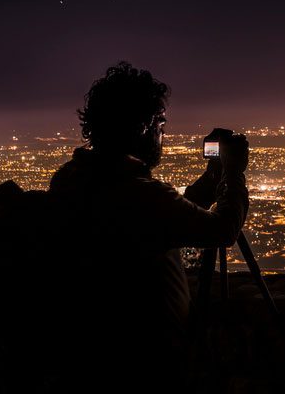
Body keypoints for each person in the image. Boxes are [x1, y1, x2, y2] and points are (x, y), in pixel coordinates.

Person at [44, 61, 249, 393]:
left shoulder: (72, 179)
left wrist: (211, 181)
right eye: (160, 124)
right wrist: (234, 172)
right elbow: (221, 230)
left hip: (88, 350)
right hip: (143, 360)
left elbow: (160, 220)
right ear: (142, 126)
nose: (162, 134)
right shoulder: (139, 194)